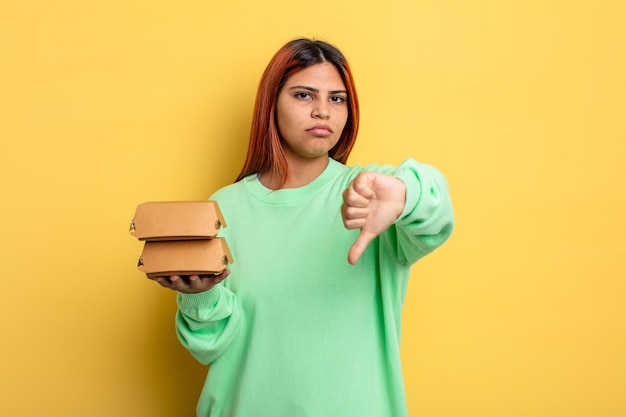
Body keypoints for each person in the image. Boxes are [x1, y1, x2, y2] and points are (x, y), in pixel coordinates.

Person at [151, 38, 454, 417]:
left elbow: (436, 210)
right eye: (304, 96)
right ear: (271, 105)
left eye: (337, 99)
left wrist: (406, 194)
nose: (323, 112)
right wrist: (199, 296)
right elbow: (210, 346)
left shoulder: (371, 194)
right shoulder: (224, 207)